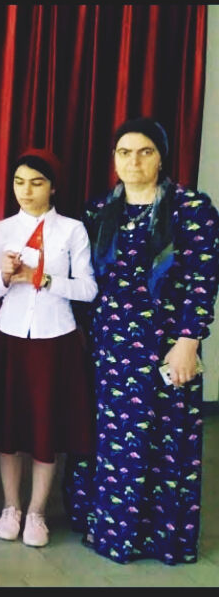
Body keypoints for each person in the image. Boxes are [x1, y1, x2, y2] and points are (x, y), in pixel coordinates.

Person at [64, 117, 219, 565]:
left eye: (145, 152)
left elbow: (202, 280)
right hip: (109, 350)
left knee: (165, 441)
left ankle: (162, 538)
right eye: (125, 152)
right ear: (114, 159)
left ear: (160, 158)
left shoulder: (190, 208)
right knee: (112, 442)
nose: (134, 161)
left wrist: (189, 340)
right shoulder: (98, 211)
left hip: (168, 347)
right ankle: (110, 530)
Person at [0, 149, 97, 548]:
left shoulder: (72, 230)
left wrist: (44, 279)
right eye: (19, 182)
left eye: (36, 182)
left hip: (55, 338)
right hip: (11, 336)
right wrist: (4, 276)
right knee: (9, 427)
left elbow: (88, 289)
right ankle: (10, 506)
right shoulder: (0, 230)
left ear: (53, 187)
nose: (26, 190)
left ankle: (37, 511)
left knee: (45, 426)